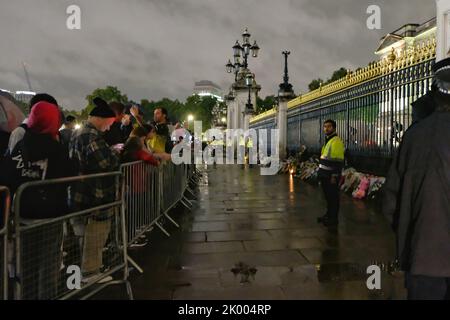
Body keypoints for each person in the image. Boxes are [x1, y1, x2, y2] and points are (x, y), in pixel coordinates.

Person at [383, 57, 450, 300]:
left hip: (424, 256)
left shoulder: (413, 137)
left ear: (434, 93)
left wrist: (408, 233)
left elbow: (391, 202)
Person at [0, 101, 74, 299]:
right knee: (48, 269)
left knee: (28, 267)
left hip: (24, 216)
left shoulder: (21, 145)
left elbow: (7, 176)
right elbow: (66, 176)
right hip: (50, 217)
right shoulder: (56, 149)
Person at [69, 97, 119, 282]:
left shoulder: (79, 132)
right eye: (109, 124)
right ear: (101, 119)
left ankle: (83, 271)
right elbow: (106, 162)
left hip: (80, 193)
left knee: (83, 236)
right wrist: (114, 152)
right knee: (95, 235)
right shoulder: (91, 136)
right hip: (95, 194)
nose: (109, 128)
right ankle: (91, 273)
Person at [317, 119, 345, 227]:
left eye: (328, 126)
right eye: (325, 127)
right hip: (324, 174)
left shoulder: (336, 141)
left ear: (334, 128)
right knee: (328, 198)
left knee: (333, 198)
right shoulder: (328, 141)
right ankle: (328, 215)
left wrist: (334, 176)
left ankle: (333, 219)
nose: (326, 129)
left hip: (331, 176)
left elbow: (338, 161)